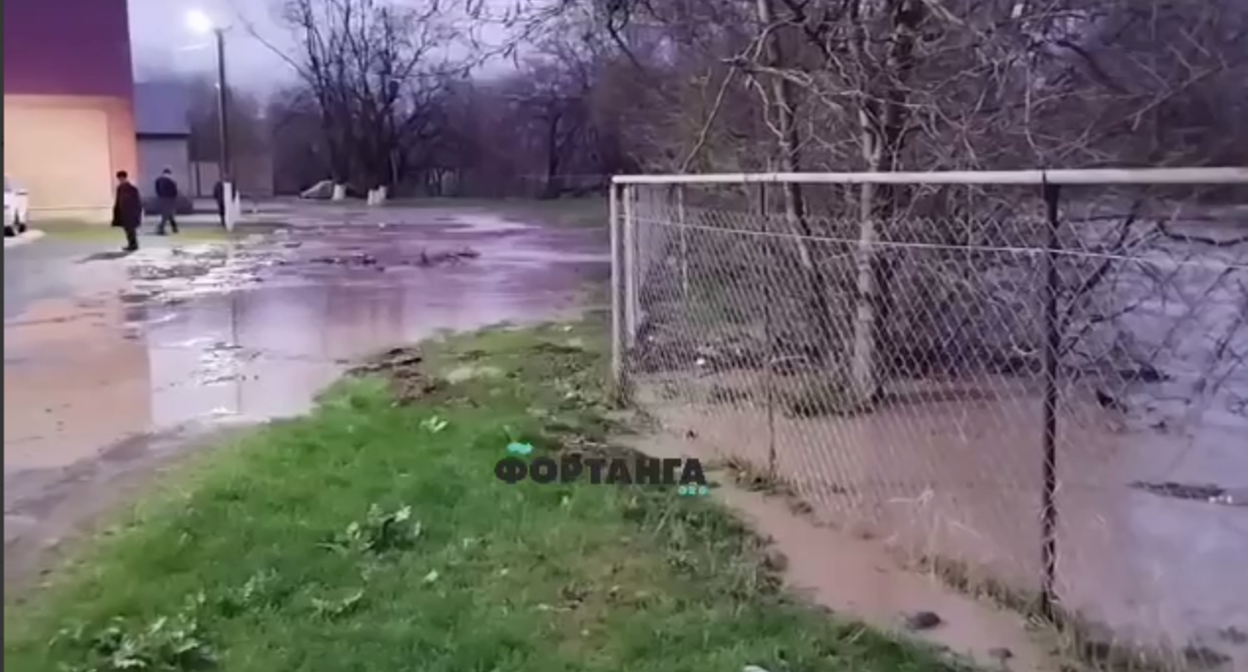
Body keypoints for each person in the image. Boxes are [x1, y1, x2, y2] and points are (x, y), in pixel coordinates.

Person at [111, 170, 143, 252]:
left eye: (121, 178)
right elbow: (118, 200)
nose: (120, 180)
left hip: (131, 212)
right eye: (119, 178)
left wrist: (137, 212)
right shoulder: (119, 188)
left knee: (131, 229)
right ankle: (131, 244)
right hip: (123, 212)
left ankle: (134, 244)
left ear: (125, 178)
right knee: (127, 229)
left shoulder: (132, 189)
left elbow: (137, 201)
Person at [153, 168, 180, 235]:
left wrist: (160, 196)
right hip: (169, 199)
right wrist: (174, 198)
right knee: (166, 214)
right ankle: (161, 228)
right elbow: (174, 191)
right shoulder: (171, 181)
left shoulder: (158, 180)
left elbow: (157, 189)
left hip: (162, 199)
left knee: (169, 214)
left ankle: (174, 228)